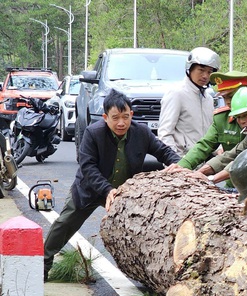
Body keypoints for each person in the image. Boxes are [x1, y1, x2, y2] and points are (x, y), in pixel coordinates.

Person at [43, 89, 180, 280]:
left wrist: (178, 164)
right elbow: (88, 167)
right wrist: (107, 190)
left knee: (140, 231)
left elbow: (163, 151)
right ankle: (42, 264)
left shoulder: (142, 132)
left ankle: (146, 275)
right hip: (90, 189)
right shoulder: (93, 133)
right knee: (64, 223)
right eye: (115, 118)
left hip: (125, 194)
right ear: (105, 117)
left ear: (131, 115)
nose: (121, 123)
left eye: (125, 117)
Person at [176, 70, 247, 170]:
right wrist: (182, 166)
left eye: (231, 96)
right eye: (224, 97)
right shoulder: (221, 118)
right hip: (232, 178)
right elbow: (205, 145)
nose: (227, 102)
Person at [158, 47, 221, 156]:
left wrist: (219, 149)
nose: (205, 76)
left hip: (203, 161)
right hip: (182, 159)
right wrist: (175, 161)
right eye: (201, 70)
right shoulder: (176, 93)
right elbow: (165, 133)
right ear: (190, 69)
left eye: (209, 72)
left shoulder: (208, 98)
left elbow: (211, 131)